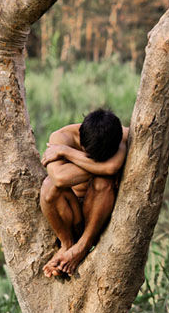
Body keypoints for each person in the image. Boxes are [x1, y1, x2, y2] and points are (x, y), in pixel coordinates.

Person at [39, 109, 128, 278]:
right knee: (49, 185)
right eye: (90, 156)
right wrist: (100, 167)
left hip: (98, 219)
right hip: (69, 216)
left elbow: (111, 168)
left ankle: (82, 247)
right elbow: (59, 178)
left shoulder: (121, 135)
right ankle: (67, 245)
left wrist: (66, 152)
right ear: (81, 139)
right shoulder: (61, 137)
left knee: (103, 181)